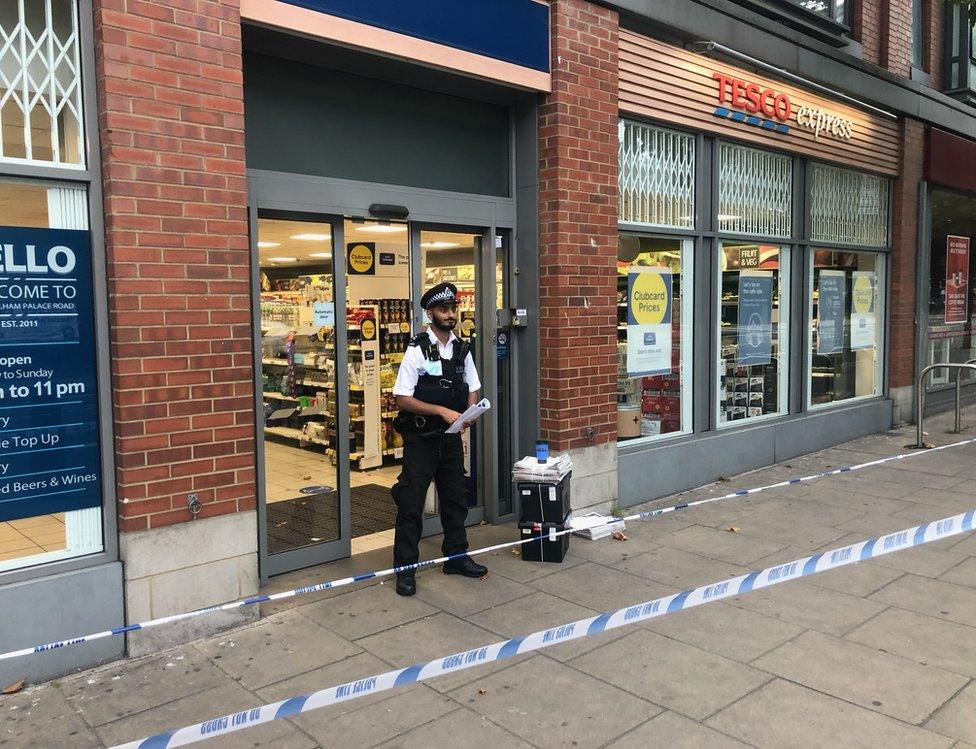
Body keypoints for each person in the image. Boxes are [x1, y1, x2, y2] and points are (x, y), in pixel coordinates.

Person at [390, 282, 488, 596]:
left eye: (453, 309)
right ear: (430, 312)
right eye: (443, 310)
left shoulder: (461, 348)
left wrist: (469, 412)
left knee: (455, 500)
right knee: (411, 503)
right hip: (420, 438)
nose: (450, 314)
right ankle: (405, 570)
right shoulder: (417, 349)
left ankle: (456, 557)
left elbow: (472, 385)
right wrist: (442, 410)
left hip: (449, 439)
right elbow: (402, 397)